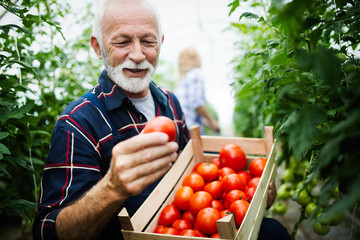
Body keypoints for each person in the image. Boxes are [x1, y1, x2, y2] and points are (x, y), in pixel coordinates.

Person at [33, 0, 290, 239]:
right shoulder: (78, 122)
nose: (137, 54)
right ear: (98, 47)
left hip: (187, 229)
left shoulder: (169, 102)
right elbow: (47, 230)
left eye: (148, 41)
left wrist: (252, 194)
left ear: (161, 43)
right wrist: (111, 188)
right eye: (122, 42)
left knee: (274, 232)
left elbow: (195, 176)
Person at [174, 47, 220, 134]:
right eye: (198, 56)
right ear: (193, 59)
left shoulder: (182, 80)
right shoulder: (195, 74)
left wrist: (208, 123)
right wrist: (212, 121)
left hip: (181, 127)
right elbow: (196, 104)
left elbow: (189, 110)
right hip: (193, 129)